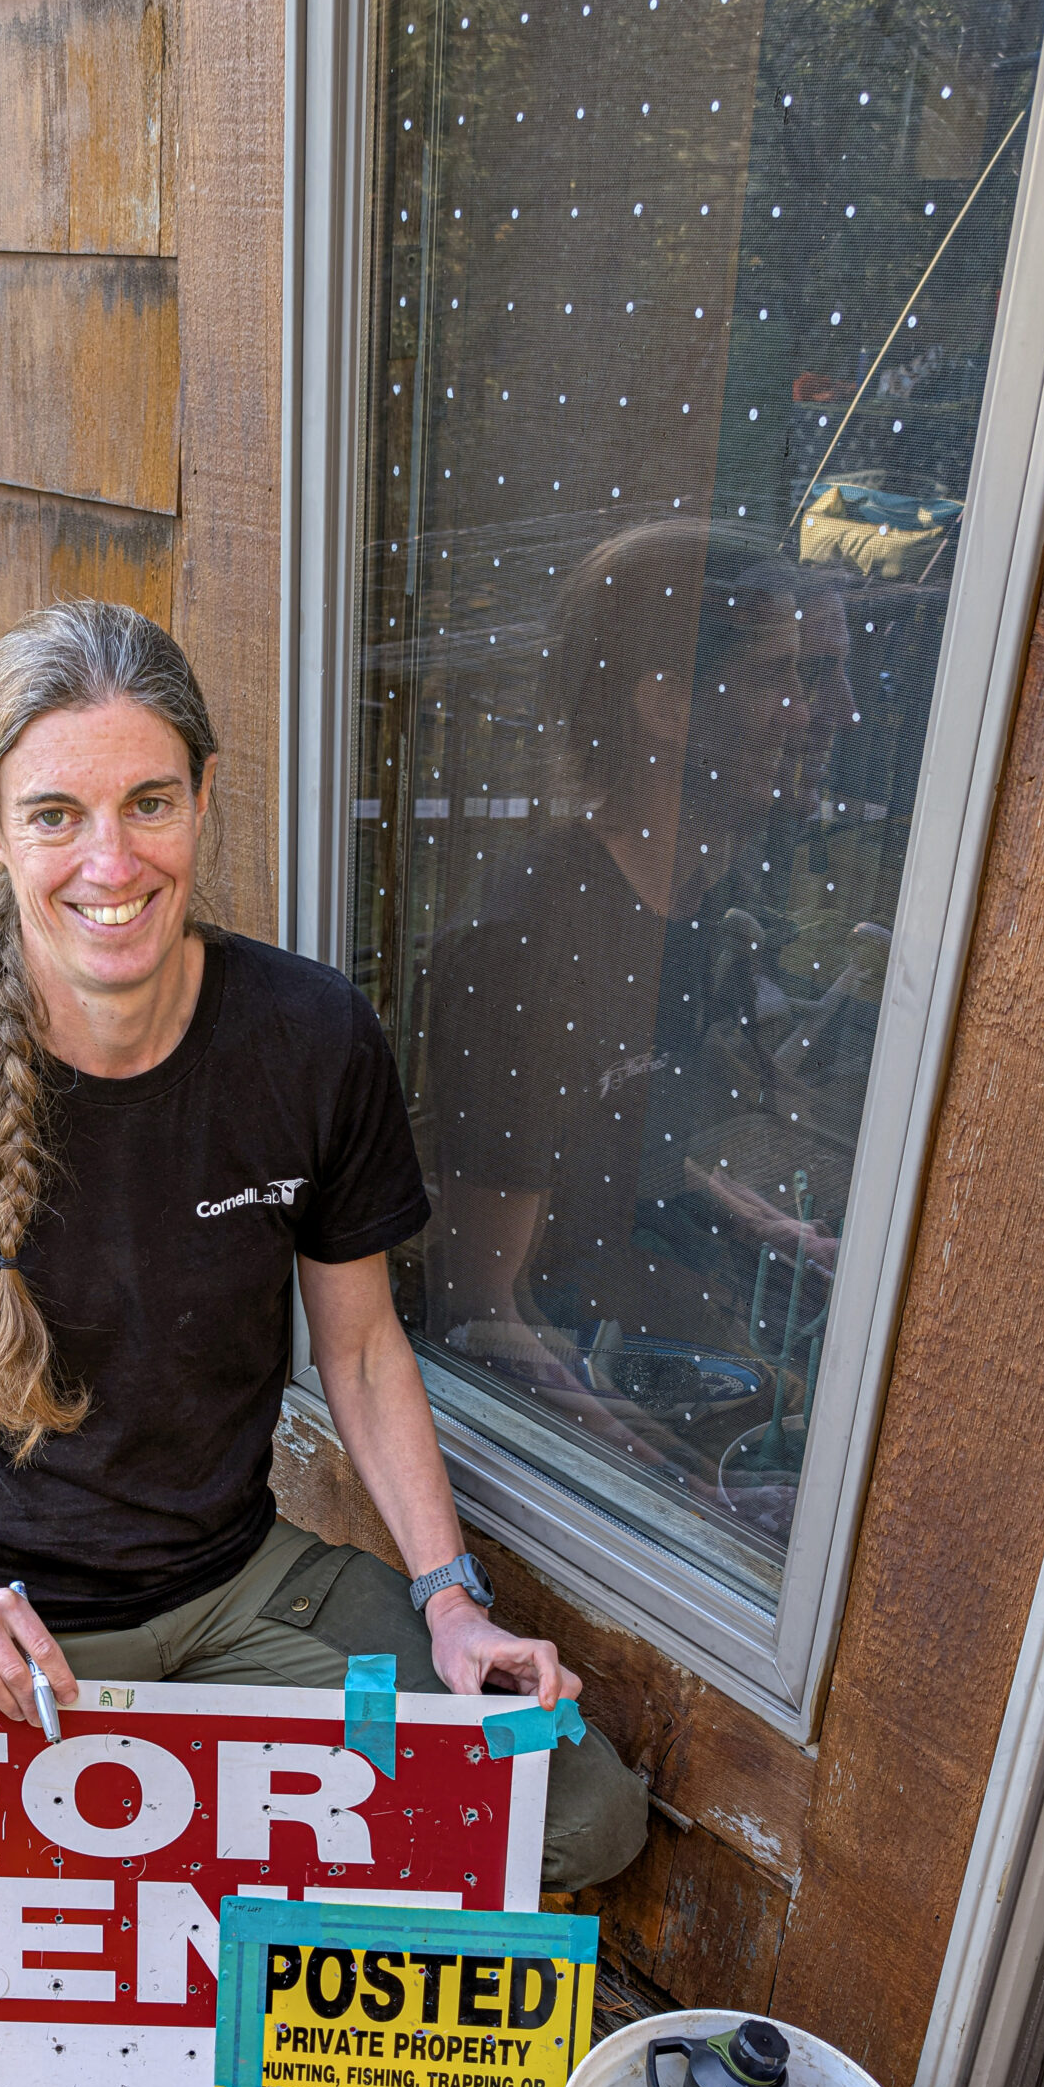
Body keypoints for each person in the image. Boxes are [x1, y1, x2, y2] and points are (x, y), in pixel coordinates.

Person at [0, 599, 648, 1894]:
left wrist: (452, 1600)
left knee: (578, 1812)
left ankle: (200, 1895)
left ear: (203, 798)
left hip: (238, 1588)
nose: (111, 862)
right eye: (54, 815)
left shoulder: (308, 1041)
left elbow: (358, 1354)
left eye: (150, 802)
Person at [425, 520, 845, 1548]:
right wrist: (680, 1492)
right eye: (786, 677)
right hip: (563, 1360)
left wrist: (761, 1222)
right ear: (664, 703)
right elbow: (475, 1299)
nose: (830, 714)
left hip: (648, 1280)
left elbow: (617, 1124)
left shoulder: (698, 895)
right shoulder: (529, 939)